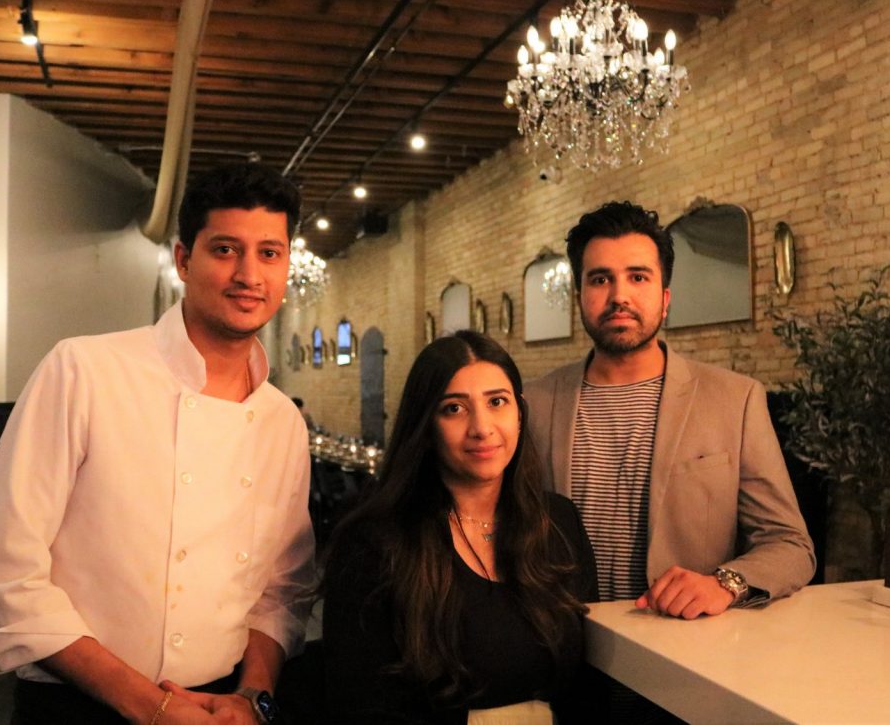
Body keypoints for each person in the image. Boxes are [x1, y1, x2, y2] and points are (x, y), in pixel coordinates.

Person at [0, 163, 316, 725]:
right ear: (183, 260)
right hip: (77, 706)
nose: (249, 273)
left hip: (222, 706)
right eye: (225, 249)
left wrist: (253, 697)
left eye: (269, 253)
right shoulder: (84, 370)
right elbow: (3, 575)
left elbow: (281, 591)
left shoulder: (282, 422)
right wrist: (153, 707)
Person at [525, 200, 815, 614]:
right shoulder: (533, 402)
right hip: (557, 646)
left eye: (637, 277)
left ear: (665, 298)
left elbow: (790, 543)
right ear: (580, 296)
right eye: (600, 279)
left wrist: (726, 584)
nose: (619, 295)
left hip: (678, 648)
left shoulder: (735, 399)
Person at [322, 331, 597, 724]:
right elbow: (360, 704)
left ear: (519, 413)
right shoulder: (374, 543)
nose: (481, 428)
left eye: (497, 402)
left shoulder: (559, 524)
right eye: (454, 409)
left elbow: (586, 683)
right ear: (426, 428)